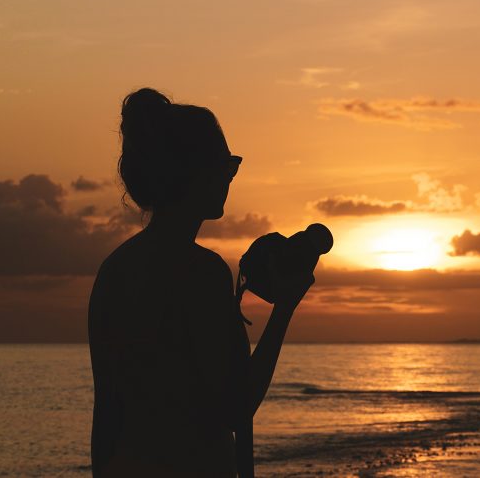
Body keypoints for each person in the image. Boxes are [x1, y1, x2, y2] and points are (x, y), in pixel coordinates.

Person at [88, 88, 313, 477]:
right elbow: (235, 408)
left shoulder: (114, 270)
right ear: (193, 172)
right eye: (226, 165)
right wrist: (284, 308)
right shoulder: (201, 272)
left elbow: (106, 416)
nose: (230, 177)